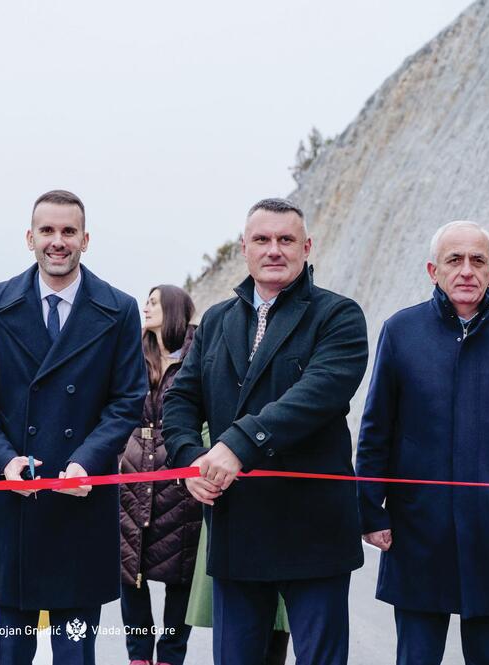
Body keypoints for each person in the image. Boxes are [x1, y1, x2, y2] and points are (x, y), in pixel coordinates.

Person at [163, 197, 369, 665]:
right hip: (238, 525)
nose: (273, 249)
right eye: (262, 239)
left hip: (313, 530)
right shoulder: (216, 320)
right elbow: (181, 399)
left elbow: (318, 395)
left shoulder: (339, 316)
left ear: (306, 246)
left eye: (285, 239)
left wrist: (236, 445)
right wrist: (188, 460)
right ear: (244, 248)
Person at [355, 221, 489, 665]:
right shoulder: (401, 330)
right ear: (433, 269)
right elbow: (376, 431)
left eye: (477, 261)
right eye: (454, 260)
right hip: (416, 527)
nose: (466, 270)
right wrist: (371, 511)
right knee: (416, 656)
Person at [0, 189, 148, 665]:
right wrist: (4, 461)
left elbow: (127, 399)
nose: (57, 241)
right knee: (10, 652)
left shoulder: (119, 309)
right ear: (29, 237)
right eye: (47, 231)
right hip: (14, 501)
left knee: (74, 652)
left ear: (85, 239)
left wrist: (87, 459)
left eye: (67, 232)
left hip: (82, 501)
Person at [119, 284, 202, 665]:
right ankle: (138, 656)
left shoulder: (197, 353)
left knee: (179, 572)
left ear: (173, 309)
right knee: (128, 566)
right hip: (133, 475)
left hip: (180, 475)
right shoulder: (134, 355)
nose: (146, 307)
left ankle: (171, 656)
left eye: (154, 302)